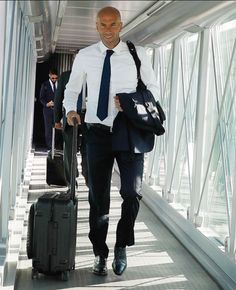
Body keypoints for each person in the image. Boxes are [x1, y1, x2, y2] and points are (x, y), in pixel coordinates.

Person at [63, 6, 159, 276]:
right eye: (102, 25)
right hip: (96, 133)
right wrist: (70, 110)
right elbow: (72, 91)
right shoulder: (85, 56)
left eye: (113, 24)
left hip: (128, 131)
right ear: (96, 26)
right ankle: (99, 253)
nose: (108, 30)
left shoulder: (137, 54)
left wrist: (130, 103)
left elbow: (153, 90)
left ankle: (121, 245)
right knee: (98, 198)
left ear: (121, 24)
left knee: (132, 192)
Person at [54, 68, 88, 186]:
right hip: (70, 115)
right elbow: (58, 97)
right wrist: (56, 119)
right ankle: (71, 181)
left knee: (88, 147)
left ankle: (87, 173)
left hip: (88, 116)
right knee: (69, 148)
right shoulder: (66, 76)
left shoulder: (94, 74)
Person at [39, 68, 59, 150]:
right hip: (48, 110)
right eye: (53, 78)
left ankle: (56, 145)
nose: (54, 80)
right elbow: (41, 98)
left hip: (57, 110)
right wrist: (47, 104)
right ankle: (50, 146)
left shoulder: (60, 84)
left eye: (56, 78)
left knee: (58, 127)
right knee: (48, 128)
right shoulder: (45, 85)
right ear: (49, 76)